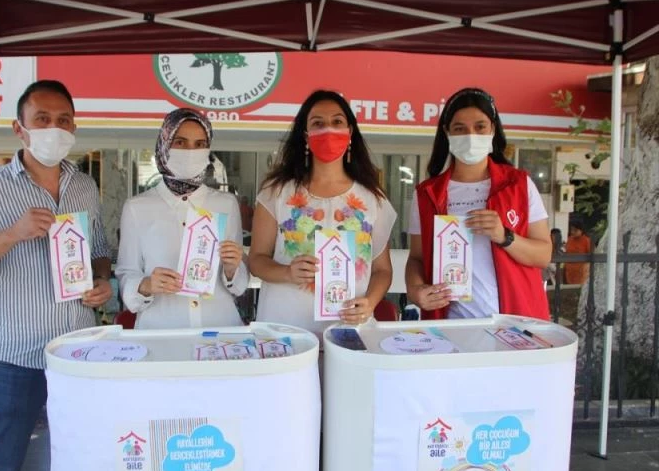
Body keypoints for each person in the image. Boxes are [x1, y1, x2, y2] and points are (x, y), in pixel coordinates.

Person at [0, 80, 113, 471]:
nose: (54, 129)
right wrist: (11, 234)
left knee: (80, 458)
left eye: (63, 120)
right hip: (15, 359)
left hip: (77, 352)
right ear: (20, 128)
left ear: (74, 128)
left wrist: (102, 280)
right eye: (42, 119)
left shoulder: (84, 186)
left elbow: (98, 248)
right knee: (2, 464)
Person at [249, 90, 395, 335]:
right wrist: (287, 272)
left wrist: (370, 303)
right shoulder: (277, 192)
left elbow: (382, 270)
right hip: (286, 326)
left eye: (337, 122)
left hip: (348, 327)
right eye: (318, 123)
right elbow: (256, 260)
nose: (328, 129)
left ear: (350, 132)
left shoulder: (372, 198)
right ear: (306, 136)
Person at [404, 87, 551, 320]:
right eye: (459, 128)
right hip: (451, 324)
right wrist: (415, 290)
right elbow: (417, 258)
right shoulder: (427, 194)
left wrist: (505, 236)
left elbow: (543, 255)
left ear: (493, 129)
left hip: (515, 322)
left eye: (480, 126)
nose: (470, 135)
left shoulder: (519, 185)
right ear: (447, 133)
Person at [115, 108, 248, 328]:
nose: (190, 151)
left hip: (219, 330)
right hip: (161, 330)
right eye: (180, 142)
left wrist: (233, 268)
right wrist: (146, 285)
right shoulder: (137, 208)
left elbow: (239, 283)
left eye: (199, 144)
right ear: (164, 144)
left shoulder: (226, 204)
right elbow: (126, 273)